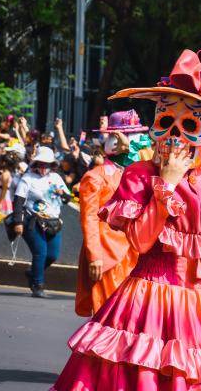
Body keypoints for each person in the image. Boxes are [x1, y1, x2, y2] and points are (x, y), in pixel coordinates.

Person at [52, 49, 201, 390]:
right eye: (165, 121)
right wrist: (167, 184)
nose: (174, 134)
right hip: (147, 302)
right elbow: (141, 241)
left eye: (189, 124)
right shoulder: (139, 175)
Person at [75, 110, 151, 317]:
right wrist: (95, 256)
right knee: (109, 318)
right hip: (107, 254)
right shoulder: (95, 177)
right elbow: (89, 219)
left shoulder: (137, 173)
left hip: (134, 255)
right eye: (133, 135)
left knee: (132, 318)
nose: (140, 141)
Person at [12, 146, 71, 298]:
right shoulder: (28, 179)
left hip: (53, 221)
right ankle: (38, 285)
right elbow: (18, 201)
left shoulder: (56, 178)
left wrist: (62, 193)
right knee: (40, 252)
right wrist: (18, 222)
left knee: (52, 255)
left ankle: (33, 272)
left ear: (52, 165)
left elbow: (67, 199)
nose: (44, 167)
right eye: (41, 164)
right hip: (33, 221)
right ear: (36, 164)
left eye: (47, 164)